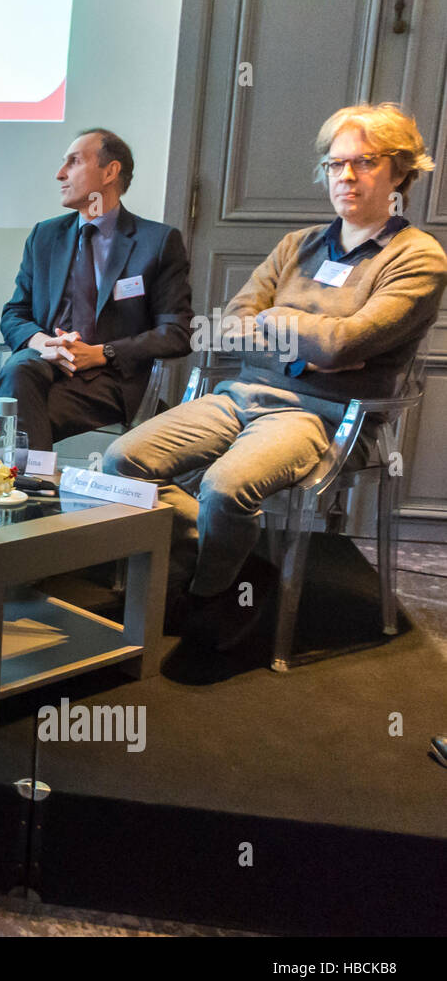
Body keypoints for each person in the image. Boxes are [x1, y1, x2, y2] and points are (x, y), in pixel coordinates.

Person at [105, 103, 447, 651]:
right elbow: (231, 327)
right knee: (122, 462)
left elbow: (347, 345)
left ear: (400, 170)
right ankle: (238, 562)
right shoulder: (299, 246)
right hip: (241, 396)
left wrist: (279, 323)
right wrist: (306, 348)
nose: (347, 177)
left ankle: (210, 595)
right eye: (336, 165)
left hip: (325, 417)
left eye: (364, 162)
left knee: (225, 487)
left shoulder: (417, 258)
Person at [0, 129, 193, 451]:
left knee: (8, 418)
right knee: (21, 370)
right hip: (44, 363)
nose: (60, 174)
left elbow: (177, 332)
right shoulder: (45, 236)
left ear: (110, 171)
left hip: (109, 378)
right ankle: (32, 489)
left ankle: (19, 488)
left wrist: (102, 353)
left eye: (73, 162)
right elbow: (14, 313)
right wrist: (48, 344)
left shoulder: (156, 242)